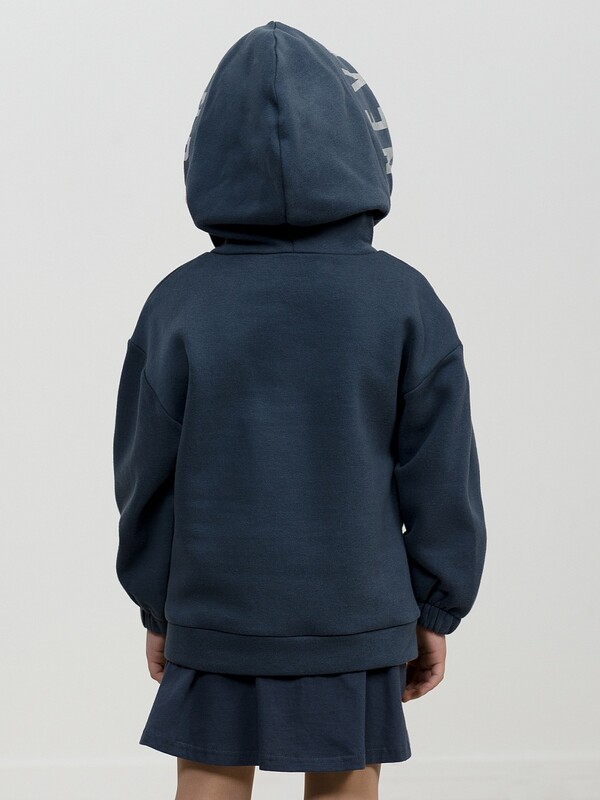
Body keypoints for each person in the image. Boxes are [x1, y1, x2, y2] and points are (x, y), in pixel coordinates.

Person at [112, 19, 487, 800]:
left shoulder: (179, 303)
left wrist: (158, 606)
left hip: (218, 609)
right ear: (362, 146)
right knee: (345, 779)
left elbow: (146, 477)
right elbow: (441, 473)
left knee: (210, 780)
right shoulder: (403, 301)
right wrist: (434, 605)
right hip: (355, 608)